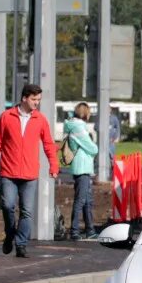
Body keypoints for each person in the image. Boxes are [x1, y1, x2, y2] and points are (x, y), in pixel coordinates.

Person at [0, 84, 59, 259]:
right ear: (24, 98)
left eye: (38, 100)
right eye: (34, 99)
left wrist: (54, 166)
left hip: (30, 174)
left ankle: (21, 244)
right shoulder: (6, 117)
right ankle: (10, 233)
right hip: (8, 172)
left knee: (27, 212)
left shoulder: (40, 120)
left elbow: (49, 144)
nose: (37, 103)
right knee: (7, 206)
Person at [61, 101, 99, 240]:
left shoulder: (73, 125)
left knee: (87, 200)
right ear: (85, 113)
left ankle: (90, 230)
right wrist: (94, 147)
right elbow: (93, 148)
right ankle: (75, 231)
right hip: (82, 167)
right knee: (80, 200)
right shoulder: (79, 128)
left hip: (81, 167)